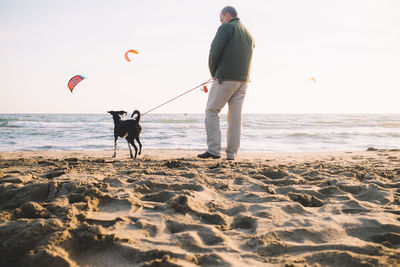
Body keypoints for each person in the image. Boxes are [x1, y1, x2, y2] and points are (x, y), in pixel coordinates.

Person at [198, 6, 255, 160]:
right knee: (235, 119)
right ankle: (231, 154)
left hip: (225, 78)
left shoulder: (226, 28)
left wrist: (214, 74)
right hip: (244, 80)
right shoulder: (249, 34)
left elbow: (214, 50)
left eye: (221, 18)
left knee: (211, 111)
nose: (221, 21)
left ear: (227, 15)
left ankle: (214, 151)